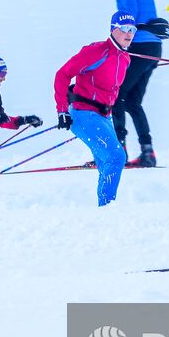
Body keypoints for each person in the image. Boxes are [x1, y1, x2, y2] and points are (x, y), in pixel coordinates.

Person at [54, 11, 133, 206]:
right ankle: (107, 207)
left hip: (104, 116)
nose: (129, 33)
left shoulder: (125, 58)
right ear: (113, 29)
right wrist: (62, 110)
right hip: (83, 114)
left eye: (133, 29)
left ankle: (103, 208)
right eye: (124, 29)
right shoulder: (96, 51)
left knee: (107, 162)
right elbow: (62, 74)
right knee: (116, 157)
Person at [103, 0, 165, 167]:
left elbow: (128, 12)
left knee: (116, 94)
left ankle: (119, 151)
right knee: (132, 101)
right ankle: (148, 152)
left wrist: (119, 40)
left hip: (138, 44)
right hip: (154, 46)